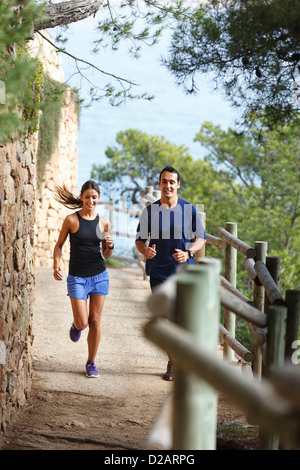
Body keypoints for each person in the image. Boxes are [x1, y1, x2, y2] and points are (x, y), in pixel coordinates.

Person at [135, 166, 206, 381]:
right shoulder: (150, 211)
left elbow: (201, 238)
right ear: (159, 184)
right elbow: (139, 240)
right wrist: (145, 250)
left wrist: (189, 252)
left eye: (172, 182)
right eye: (164, 182)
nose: (168, 186)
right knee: (164, 320)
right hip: (158, 271)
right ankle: (173, 361)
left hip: (184, 273)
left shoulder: (189, 209)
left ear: (178, 185)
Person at [53, 180, 114, 378]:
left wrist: (110, 246)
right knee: (83, 323)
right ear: (81, 197)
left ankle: (91, 362)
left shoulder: (103, 223)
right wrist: (57, 264)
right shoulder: (71, 220)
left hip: (99, 276)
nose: (90, 200)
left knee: (95, 321)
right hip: (77, 277)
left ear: (98, 199)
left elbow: (106, 255)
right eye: (87, 196)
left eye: (94, 197)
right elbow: (59, 245)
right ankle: (76, 326)